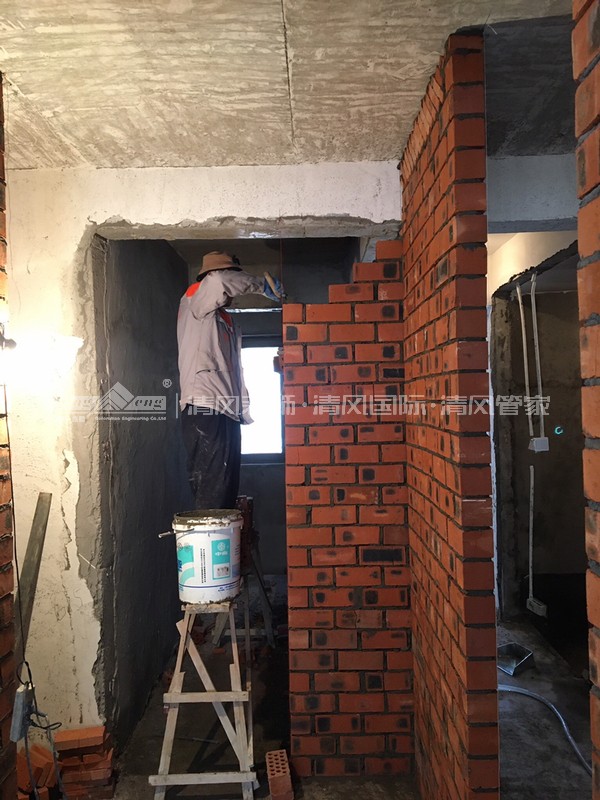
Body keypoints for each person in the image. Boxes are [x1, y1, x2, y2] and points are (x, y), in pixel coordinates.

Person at [177, 251, 282, 509]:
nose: (234, 289)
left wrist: (241, 410)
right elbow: (218, 281)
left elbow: (231, 370)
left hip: (224, 409)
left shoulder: (224, 319)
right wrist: (260, 285)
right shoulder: (196, 298)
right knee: (212, 490)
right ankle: (211, 534)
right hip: (205, 406)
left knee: (225, 488)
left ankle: (223, 533)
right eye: (233, 277)